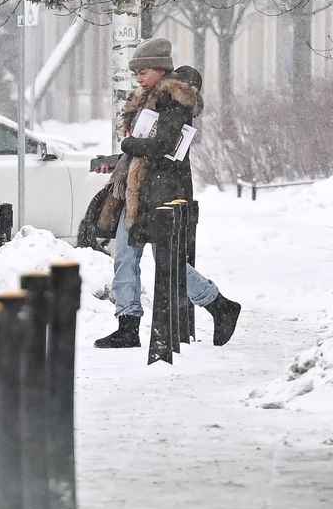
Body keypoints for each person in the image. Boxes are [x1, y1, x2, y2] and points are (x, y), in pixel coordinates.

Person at [94, 38, 241, 349]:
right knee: (126, 255)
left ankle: (219, 304)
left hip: (162, 192)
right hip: (139, 191)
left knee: (168, 261)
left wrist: (129, 144)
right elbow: (143, 148)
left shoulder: (174, 99)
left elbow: (164, 145)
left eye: (143, 71)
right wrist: (119, 159)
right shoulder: (147, 99)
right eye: (136, 73)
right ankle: (128, 323)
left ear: (160, 69)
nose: (138, 78)